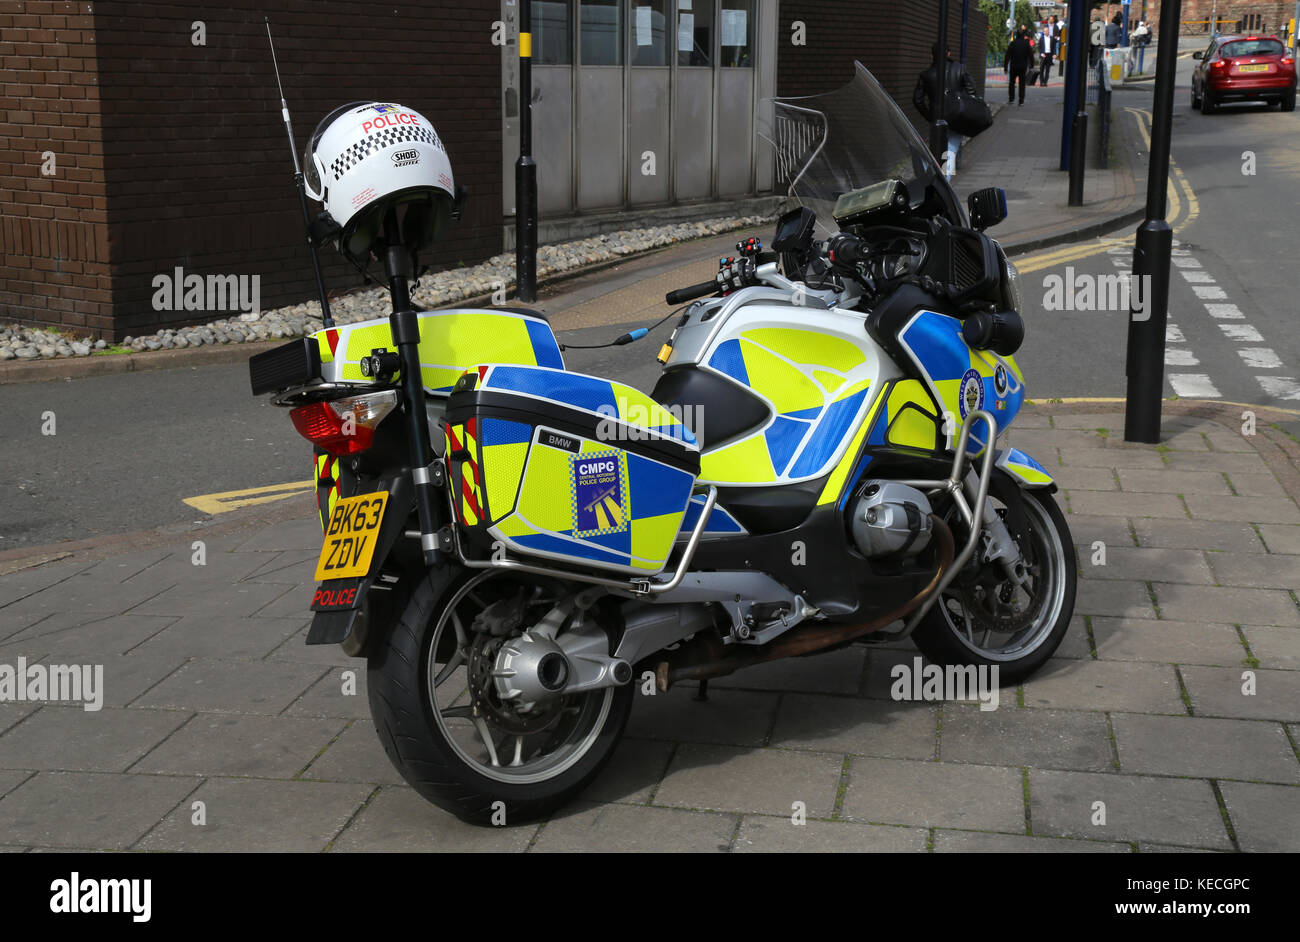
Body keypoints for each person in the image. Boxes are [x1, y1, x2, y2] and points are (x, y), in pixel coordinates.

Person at [912, 43, 979, 179]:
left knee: (936, 152)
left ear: (931, 56)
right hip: (957, 118)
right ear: (948, 54)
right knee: (950, 152)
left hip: (937, 119)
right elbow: (972, 91)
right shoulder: (960, 69)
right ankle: (944, 184)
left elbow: (917, 99)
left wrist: (929, 115)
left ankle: (934, 179)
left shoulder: (926, 75)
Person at [1005, 27, 1035, 106]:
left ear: (1016, 35)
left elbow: (1007, 55)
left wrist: (1005, 67)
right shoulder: (1026, 44)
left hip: (1013, 66)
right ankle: (1021, 101)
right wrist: (1032, 66)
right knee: (1022, 84)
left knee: (1012, 83)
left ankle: (1011, 99)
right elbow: (1031, 56)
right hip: (1023, 67)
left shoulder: (1013, 43)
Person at [1038, 15, 1061, 85]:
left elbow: (1054, 47)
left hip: (1049, 55)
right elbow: (1039, 47)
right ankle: (1041, 81)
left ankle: (1045, 82)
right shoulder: (1041, 39)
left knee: (1047, 70)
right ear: (1043, 32)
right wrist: (1041, 53)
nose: (1046, 32)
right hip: (1043, 55)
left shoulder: (1052, 38)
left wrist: (1054, 54)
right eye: (1045, 31)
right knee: (1041, 69)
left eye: (1047, 31)